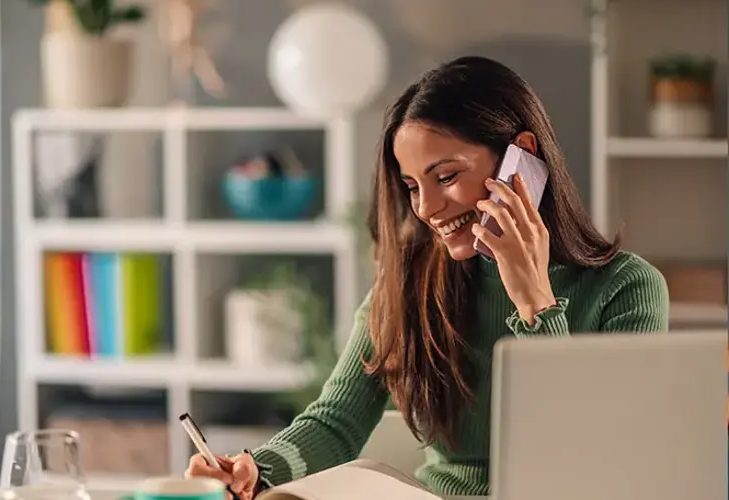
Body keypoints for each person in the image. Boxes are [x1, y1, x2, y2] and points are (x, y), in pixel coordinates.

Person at [184, 56, 669, 499]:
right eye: (413, 185)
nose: (427, 209)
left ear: (521, 158)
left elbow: (603, 453)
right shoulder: (409, 286)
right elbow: (336, 421)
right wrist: (255, 468)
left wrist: (535, 304)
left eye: (446, 176)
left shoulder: (628, 289)